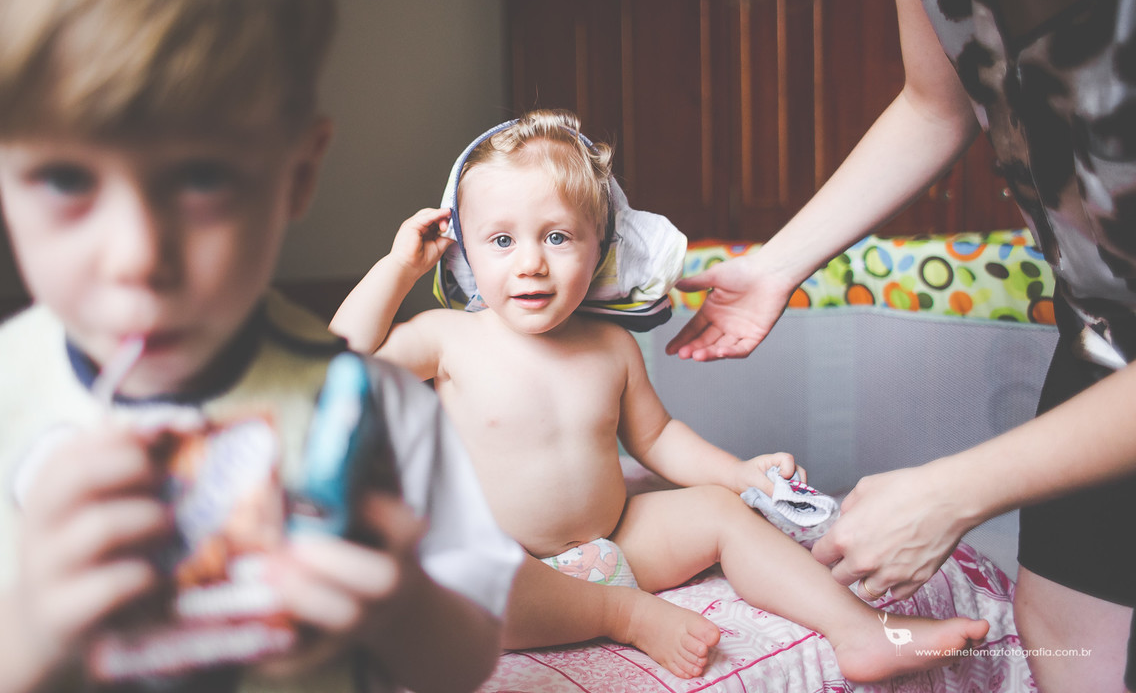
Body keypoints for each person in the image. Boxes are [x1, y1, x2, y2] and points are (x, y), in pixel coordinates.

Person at [0, 0, 522, 691]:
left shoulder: (369, 412)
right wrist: (28, 626)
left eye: (203, 178)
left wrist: (400, 608)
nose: (138, 257)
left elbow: (469, 661)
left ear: (298, 173)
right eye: (67, 179)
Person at [329, 109, 989, 683]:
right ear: (467, 250)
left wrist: (739, 476)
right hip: (511, 568)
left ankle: (861, 632)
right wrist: (398, 268)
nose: (530, 262)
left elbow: (657, 438)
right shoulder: (447, 339)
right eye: (501, 241)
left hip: (615, 539)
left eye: (557, 237)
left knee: (720, 513)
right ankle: (622, 613)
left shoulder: (611, 348)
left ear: (601, 248)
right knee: (452, 568)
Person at [671, 0, 1136, 690]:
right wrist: (780, 264)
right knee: (1065, 627)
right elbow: (933, 104)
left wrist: (955, 492)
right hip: (1100, 327)